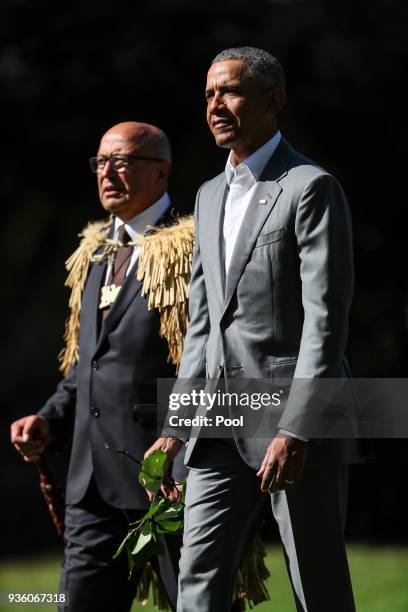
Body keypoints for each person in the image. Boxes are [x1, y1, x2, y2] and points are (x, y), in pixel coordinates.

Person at [146, 47, 370, 611]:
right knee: (196, 579)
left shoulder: (311, 186)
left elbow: (326, 320)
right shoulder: (208, 194)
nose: (215, 105)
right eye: (208, 95)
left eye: (230, 91)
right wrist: (176, 428)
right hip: (216, 424)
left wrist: (297, 429)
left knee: (315, 585)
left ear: (274, 99)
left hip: (292, 423)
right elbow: (203, 326)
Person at [10, 121, 189, 612]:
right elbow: (84, 366)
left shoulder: (189, 249)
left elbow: (208, 360)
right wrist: (49, 417)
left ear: (162, 172)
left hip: (166, 474)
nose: (108, 172)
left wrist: (180, 440)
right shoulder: (94, 252)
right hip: (90, 481)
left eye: (124, 161)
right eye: (101, 162)